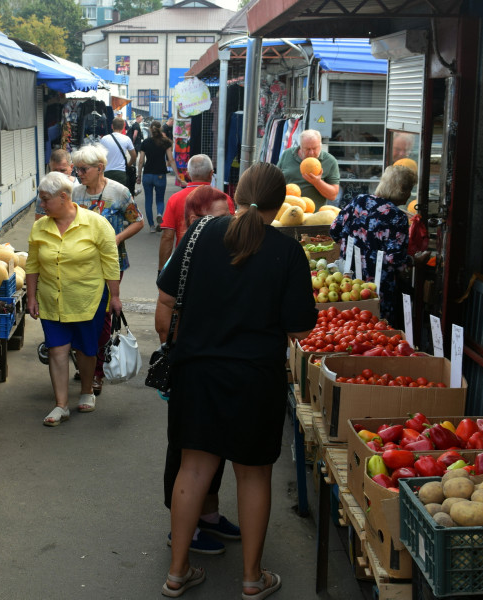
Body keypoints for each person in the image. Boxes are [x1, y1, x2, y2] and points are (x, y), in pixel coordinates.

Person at [155, 162, 316, 598]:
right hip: (255, 379)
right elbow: (301, 329)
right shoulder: (288, 252)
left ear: (237, 192)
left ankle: (177, 573)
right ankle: (251, 579)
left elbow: (166, 298)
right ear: (280, 205)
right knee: (253, 476)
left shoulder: (199, 235)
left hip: (197, 372)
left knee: (193, 468)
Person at [162, 184, 240, 558]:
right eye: (219, 216)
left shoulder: (231, 250)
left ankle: (208, 515)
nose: (229, 224)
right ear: (195, 218)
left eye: (230, 215)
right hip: (191, 364)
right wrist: (176, 350)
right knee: (185, 451)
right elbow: (165, 312)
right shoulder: (189, 250)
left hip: (215, 364)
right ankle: (184, 533)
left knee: (213, 447)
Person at [26, 172, 122, 426]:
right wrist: (31, 296)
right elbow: (32, 264)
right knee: (57, 349)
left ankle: (88, 390)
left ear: (64, 197)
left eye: (45, 200)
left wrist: (115, 296)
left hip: (87, 299)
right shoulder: (40, 226)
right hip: (51, 298)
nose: (42, 205)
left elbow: (111, 262)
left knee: (86, 349)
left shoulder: (96, 224)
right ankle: (61, 405)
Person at [72, 144, 143, 397]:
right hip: (78, 266)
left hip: (110, 265)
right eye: (76, 169)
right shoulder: (74, 193)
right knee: (79, 314)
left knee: (101, 317)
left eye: (83, 169)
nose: (79, 173)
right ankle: (85, 362)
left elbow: (138, 222)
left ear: (100, 168)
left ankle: (97, 373)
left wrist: (117, 238)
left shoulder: (119, 192)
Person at [330, 165, 415, 321]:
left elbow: (335, 230)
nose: (410, 195)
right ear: (402, 190)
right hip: (377, 287)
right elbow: (394, 259)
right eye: (410, 189)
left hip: (347, 280)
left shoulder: (359, 201)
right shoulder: (398, 217)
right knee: (375, 329)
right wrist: (414, 261)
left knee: (347, 325)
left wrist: (352, 248)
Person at [158, 155, 234, 272]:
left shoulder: (175, 199)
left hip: (184, 262)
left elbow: (167, 237)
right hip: (216, 263)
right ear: (211, 173)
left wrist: (162, 271)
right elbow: (231, 235)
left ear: (188, 174)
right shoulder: (224, 199)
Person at [276, 129, 340, 209]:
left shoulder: (330, 161)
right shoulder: (287, 154)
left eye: (314, 148)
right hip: (286, 212)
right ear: (301, 146)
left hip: (313, 217)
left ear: (320, 145)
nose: (311, 153)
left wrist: (317, 182)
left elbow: (333, 195)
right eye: (307, 149)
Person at [137, 120, 182, 233]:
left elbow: (141, 161)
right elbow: (171, 160)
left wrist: (139, 175)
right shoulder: (166, 142)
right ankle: (159, 214)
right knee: (160, 199)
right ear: (160, 128)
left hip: (147, 174)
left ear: (151, 130)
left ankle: (152, 226)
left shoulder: (145, 143)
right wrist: (177, 175)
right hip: (160, 175)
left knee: (148, 200)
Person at [34, 149, 82, 221]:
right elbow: (39, 221)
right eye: (55, 171)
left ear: (71, 167)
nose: (59, 175)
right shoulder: (45, 190)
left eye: (63, 170)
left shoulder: (80, 187)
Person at [99, 117, 137, 186]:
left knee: (107, 195)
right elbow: (134, 156)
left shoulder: (104, 139)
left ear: (112, 126)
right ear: (123, 127)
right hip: (121, 173)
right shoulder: (127, 139)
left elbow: (98, 156)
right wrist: (128, 165)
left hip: (106, 173)